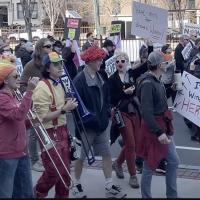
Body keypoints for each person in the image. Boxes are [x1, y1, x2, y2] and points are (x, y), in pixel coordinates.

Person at [72, 46, 126, 198]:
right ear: (89, 61)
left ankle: (109, 185)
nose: (101, 62)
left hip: (101, 125)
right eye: (98, 59)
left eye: (101, 59)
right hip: (86, 127)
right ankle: (76, 184)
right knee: (80, 157)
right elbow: (74, 105)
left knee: (107, 154)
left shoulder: (100, 75)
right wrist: (85, 121)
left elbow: (106, 96)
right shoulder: (79, 80)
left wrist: (107, 113)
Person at [32, 51, 78, 198]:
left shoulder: (60, 83)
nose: (60, 67)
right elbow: (41, 118)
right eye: (56, 64)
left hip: (62, 130)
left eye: (61, 63)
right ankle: (38, 193)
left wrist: (69, 105)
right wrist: (64, 109)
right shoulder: (42, 87)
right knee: (54, 171)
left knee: (65, 172)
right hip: (49, 132)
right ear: (47, 68)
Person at [137, 51, 180, 198]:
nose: (167, 64)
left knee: (173, 161)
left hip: (161, 127)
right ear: (160, 65)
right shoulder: (148, 83)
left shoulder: (156, 79)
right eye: (165, 62)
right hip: (155, 129)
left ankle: (172, 196)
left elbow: (159, 101)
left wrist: (170, 90)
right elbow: (146, 112)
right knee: (149, 165)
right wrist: (159, 132)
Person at [0, 59, 39, 198]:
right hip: (7, 154)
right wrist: (29, 92)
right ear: (5, 80)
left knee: (26, 193)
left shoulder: (14, 96)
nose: (19, 79)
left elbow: (19, 120)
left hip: (22, 151)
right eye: (15, 76)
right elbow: (17, 115)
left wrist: (31, 121)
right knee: (6, 193)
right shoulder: (2, 98)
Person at [108, 51, 140, 188]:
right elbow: (111, 99)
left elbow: (145, 67)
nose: (120, 63)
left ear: (127, 62)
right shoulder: (112, 79)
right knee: (131, 144)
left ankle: (118, 163)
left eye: (123, 60)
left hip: (134, 111)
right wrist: (124, 92)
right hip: (121, 114)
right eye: (117, 61)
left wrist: (149, 46)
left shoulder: (131, 74)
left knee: (134, 143)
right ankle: (133, 175)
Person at [20, 38, 52, 172]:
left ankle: (47, 158)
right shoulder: (30, 65)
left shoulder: (50, 63)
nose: (50, 48)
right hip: (34, 104)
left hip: (49, 102)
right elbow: (21, 85)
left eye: (51, 46)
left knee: (47, 130)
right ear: (40, 48)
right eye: (47, 46)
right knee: (34, 132)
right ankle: (34, 160)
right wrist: (32, 95)